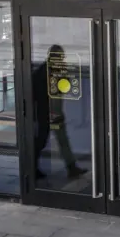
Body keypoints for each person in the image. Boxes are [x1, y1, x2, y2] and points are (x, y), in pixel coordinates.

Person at [32, 45, 87, 180]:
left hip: (54, 112)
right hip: (45, 113)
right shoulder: (43, 72)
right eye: (60, 57)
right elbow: (43, 93)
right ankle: (31, 167)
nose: (62, 59)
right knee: (42, 141)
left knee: (61, 140)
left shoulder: (54, 70)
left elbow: (65, 87)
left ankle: (71, 167)